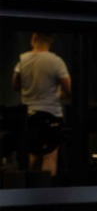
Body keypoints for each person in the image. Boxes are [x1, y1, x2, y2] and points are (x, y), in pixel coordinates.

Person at [11, 31, 71, 176]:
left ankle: (31, 187)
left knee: (32, 155)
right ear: (50, 41)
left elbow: (15, 85)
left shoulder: (22, 60)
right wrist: (59, 94)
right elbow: (68, 89)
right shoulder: (56, 61)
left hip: (30, 116)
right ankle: (47, 188)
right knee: (49, 156)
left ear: (34, 38)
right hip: (51, 116)